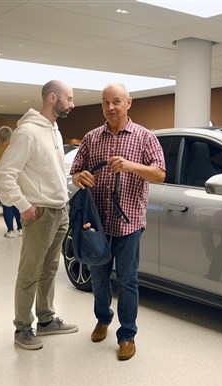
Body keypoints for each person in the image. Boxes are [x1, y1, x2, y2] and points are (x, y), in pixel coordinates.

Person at [70, 83, 165, 361]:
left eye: (116, 102)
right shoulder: (91, 138)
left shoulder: (145, 137)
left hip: (129, 223)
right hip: (97, 224)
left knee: (127, 281)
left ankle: (127, 335)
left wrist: (131, 166)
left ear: (128, 103)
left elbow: (159, 174)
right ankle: (103, 318)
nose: (110, 107)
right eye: (105, 102)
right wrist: (79, 178)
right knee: (98, 279)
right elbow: (75, 172)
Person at [0, 80, 79, 350]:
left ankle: (46, 319)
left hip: (59, 210)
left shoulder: (54, 129)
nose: (72, 104)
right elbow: (4, 174)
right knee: (30, 272)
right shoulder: (28, 132)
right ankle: (22, 328)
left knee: (49, 269)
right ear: (53, 98)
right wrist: (22, 205)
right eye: (69, 98)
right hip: (39, 213)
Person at [0, 126, 23, 238]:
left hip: (2, 181)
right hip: (17, 180)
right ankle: (21, 228)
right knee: (18, 204)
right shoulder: (17, 149)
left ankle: (10, 231)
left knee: (7, 205)